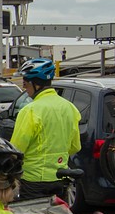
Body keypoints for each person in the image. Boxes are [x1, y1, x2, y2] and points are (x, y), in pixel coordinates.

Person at [10, 58, 81, 200]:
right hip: (60, 178)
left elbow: (17, 149)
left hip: (33, 181)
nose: (24, 87)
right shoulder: (69, 107)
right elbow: (75, 146)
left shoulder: (30, 110)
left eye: (25, 83)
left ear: (35, 83)